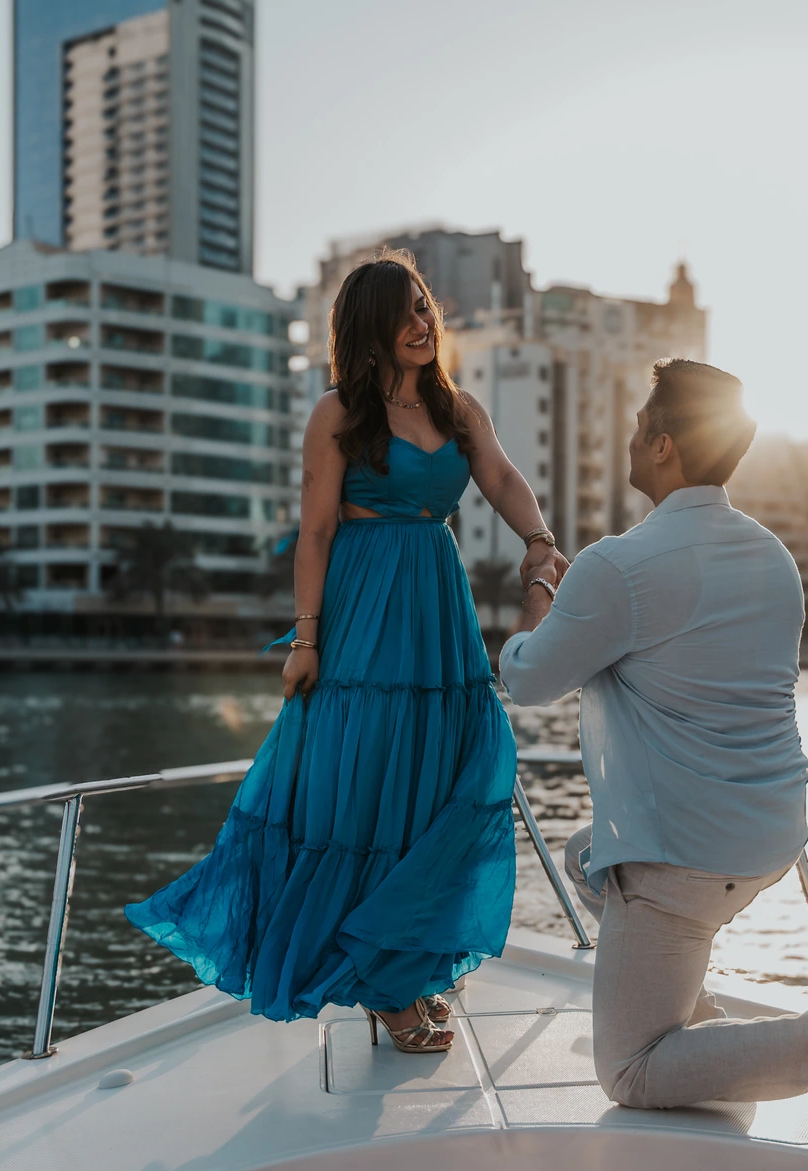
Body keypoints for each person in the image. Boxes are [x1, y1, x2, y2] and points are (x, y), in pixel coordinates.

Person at [126, 250, 566, 1053]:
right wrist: (305, 638)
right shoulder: (337, 414)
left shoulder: (458, 409)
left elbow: (503, 479)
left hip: (437, 607)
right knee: (364, 784)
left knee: (437, 777)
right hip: (364, 610)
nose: (422, 322)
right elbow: (317, 531)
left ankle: (403, 961)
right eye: (404, 312)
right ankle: (384, 985)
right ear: (368, 326)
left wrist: (538, 538)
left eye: (425, 306)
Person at [498, 358, 808, 1132]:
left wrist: (541, 587)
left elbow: (526, 677)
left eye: (640, 425)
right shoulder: (773, 556)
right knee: (588, 856)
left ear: (664, 446)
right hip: (769, 832)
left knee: (629, 1068)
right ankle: (700, 1028)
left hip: (682, 857)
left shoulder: (617, 565)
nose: (631, 436)